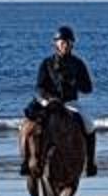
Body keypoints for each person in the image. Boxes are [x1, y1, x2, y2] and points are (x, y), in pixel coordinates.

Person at [27, 26, 96, 175]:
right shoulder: (46, 63)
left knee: (90, 125)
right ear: (56, 44)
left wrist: (76, 83)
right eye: (62, 42)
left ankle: (90, 163)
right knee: (28, 125)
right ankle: (27, 161)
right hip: (49, 102)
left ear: (72, 44)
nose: (65, 45)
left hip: (70, 103)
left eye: (68, 42)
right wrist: (49, 98)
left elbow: (88, 88)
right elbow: (39, 87)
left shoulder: (78, 64)